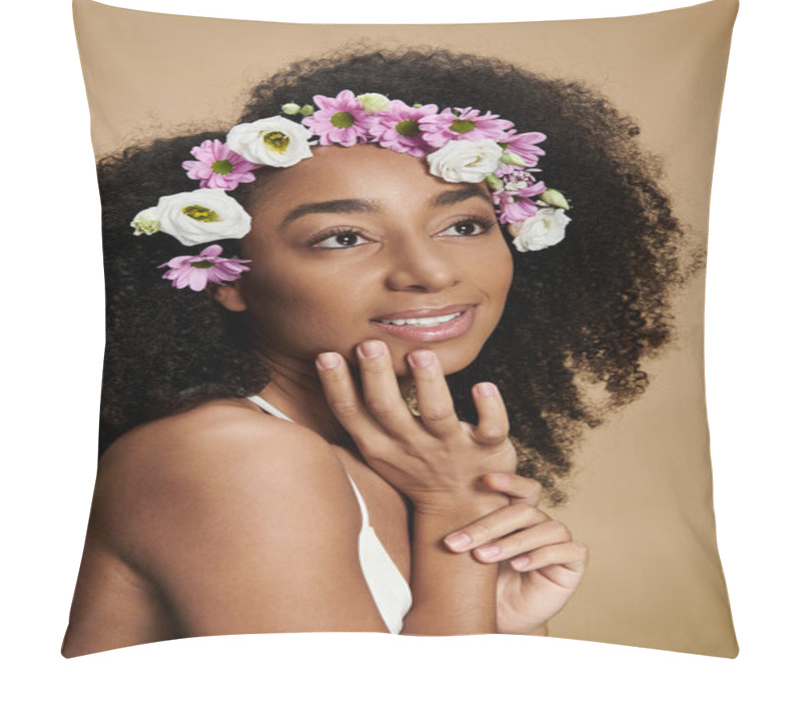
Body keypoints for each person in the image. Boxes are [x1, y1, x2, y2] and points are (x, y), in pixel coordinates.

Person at [62, 48, 692, 656]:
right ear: (227, 275)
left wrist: (502, 620)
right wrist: (456, 524)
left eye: (464, 226)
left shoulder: (398, 469)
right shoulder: (232, 455)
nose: (430, 272)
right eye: (343, 237)